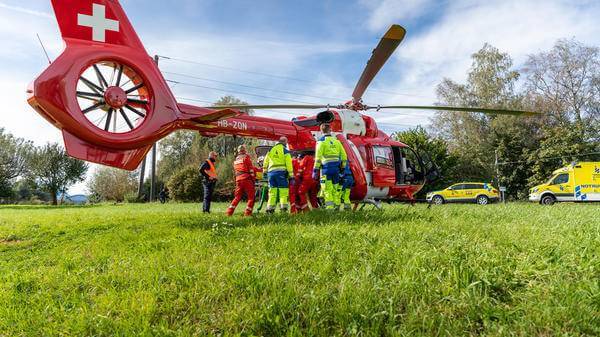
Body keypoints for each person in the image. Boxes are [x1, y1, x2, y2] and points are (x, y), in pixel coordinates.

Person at [313, 123, 347, 210]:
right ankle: (336, 207)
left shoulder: (321, 142)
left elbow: (318, 158)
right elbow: (344, 156)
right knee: (335, 188)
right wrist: (343, 168)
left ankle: (330, 209)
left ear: (321, 131)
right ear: (330, 130)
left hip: (326, 169)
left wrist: (315, 170)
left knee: (327, 189)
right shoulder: (337, 142)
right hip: (336, 169)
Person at [263, 136, 294, 213]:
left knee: (272, 192)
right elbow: (289, 164)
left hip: (271, 174)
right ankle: (283, 209)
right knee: (283, 191)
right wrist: (291, 175)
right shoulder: (285, 151)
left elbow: (265, 161)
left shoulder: (271, 150)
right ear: (284, 142)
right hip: (281, 173)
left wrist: (264, 171)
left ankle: (270, 209)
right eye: (286, 142)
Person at [226, 145, 258, 216]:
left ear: (238, 151)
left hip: (238, 180)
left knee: (237, 197)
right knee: (251, 197)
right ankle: (247, 214)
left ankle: (229, 212)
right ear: (244, 150)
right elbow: (251, 170)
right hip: (246, 179)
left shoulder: (236, 160)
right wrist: (253, 179)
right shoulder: (246, 157)